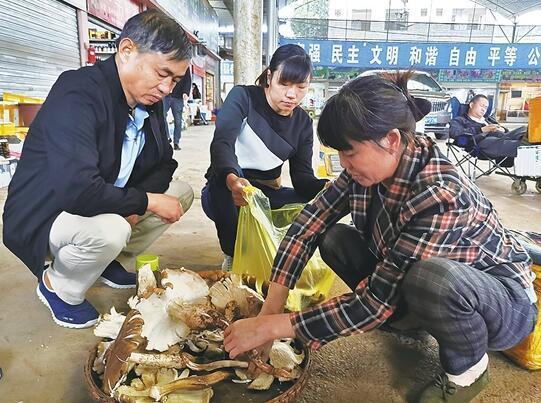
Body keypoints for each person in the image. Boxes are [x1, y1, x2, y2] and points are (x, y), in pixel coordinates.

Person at [223, 72, 537, 402]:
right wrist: (269, 312)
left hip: (502, 305)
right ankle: (406, 321)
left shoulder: (441, 193)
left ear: (391, 140)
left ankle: (469, 372)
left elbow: (374, 301)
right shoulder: (364, 171)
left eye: (350, 152)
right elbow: (307, 226)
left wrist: (275, 328)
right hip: (424, 280)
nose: (344, 163)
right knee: (333, 237)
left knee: (432, 279)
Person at [2, 10, 195, 329]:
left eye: (174, 80)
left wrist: (137, 200)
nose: (166, 88)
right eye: (162, 73)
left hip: (100, 201)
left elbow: (164, 163)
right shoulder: (78, 92)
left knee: (180, 193)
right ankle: (58, 286)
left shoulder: (149, 103)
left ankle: (109, 261)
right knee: (113, 229)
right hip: (49, 211)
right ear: (127, 52)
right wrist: (142, 202)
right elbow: (77, 190)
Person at [201, 44, 327, 271]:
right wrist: (233, 181)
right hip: (226, 191)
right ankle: (232, 255)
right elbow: (222, 143)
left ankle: (289, 262)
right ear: (269, 76)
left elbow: (302, 178)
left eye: (301, 87)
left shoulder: (303, 124)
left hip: (266, 196)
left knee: (313, 205)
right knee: (224, 184)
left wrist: (329, 188)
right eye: (284, 84)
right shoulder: (243, 97)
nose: (292, 94)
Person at [449, 94, 527, 158]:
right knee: (512, 144)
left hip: (502, 137)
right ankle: (527, 148)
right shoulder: (461, 119)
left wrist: (503, 129)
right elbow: (454, 133)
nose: (484, 109)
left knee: (524, 129)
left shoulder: (488, 119)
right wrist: (482, 129)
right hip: (481, 142)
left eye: (485, 107)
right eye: (481, 106)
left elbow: (505, 131)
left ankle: (529, 144)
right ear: (472, 105)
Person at [162, 69, 192, 150]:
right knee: (162, 116)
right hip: (166, 95)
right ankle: (167, 138)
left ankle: (176, 142)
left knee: (178, 121)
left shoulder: (185, 64)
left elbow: (187, 79)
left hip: (178, 96)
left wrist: (186, 92)